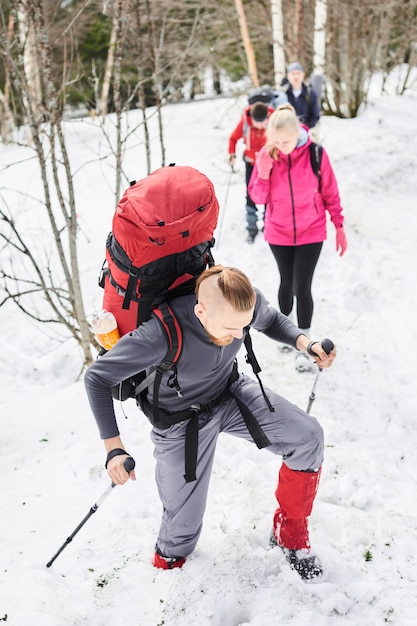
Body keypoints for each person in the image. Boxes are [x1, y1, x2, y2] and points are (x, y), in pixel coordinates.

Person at [84, 264, 337, 581]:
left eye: (243, 327)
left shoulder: (238, 305)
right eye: (231, 329)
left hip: (230, 392)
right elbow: (97, 378)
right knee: (181, 530)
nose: (239, 335)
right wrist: (114, 449)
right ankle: (168, 575)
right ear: (201, 311)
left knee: (308, 436)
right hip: (180, 422)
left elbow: (269, 319)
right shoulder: (160, 334)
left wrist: (305, 344)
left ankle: (290, 532)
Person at [248, 104, 347, 372]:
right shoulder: (267, 156)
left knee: (303, 286)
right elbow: (257, 198)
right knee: (286, 282)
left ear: (299, 133)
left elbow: (330, 192)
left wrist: (338, 226)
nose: (281, 146)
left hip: (311, 231)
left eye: (286, 141)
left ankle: (306, 346)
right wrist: (265, 170)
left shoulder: (315, 154)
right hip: (278, 231)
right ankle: (288, 333)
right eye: (276, 141)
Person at [228, 101, 275, 243]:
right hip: (251, 162)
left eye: (263, 122)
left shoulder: (273, 119)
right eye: (257, 122)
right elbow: (233, 138)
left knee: (270, 193)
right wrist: (232, 154)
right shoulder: (245, 122)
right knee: (250, 193)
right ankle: (252, 226)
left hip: (269, 164)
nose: (260, 125)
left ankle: (268, 224)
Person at [282, 62, 320, 130]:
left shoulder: (310, 93)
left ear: (303, 75)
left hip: (307, 130)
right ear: (288, 76)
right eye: (293, 74)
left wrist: (306, 127)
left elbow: (315, 115)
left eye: (298, 73)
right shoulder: (283, 93)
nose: (296, 76)